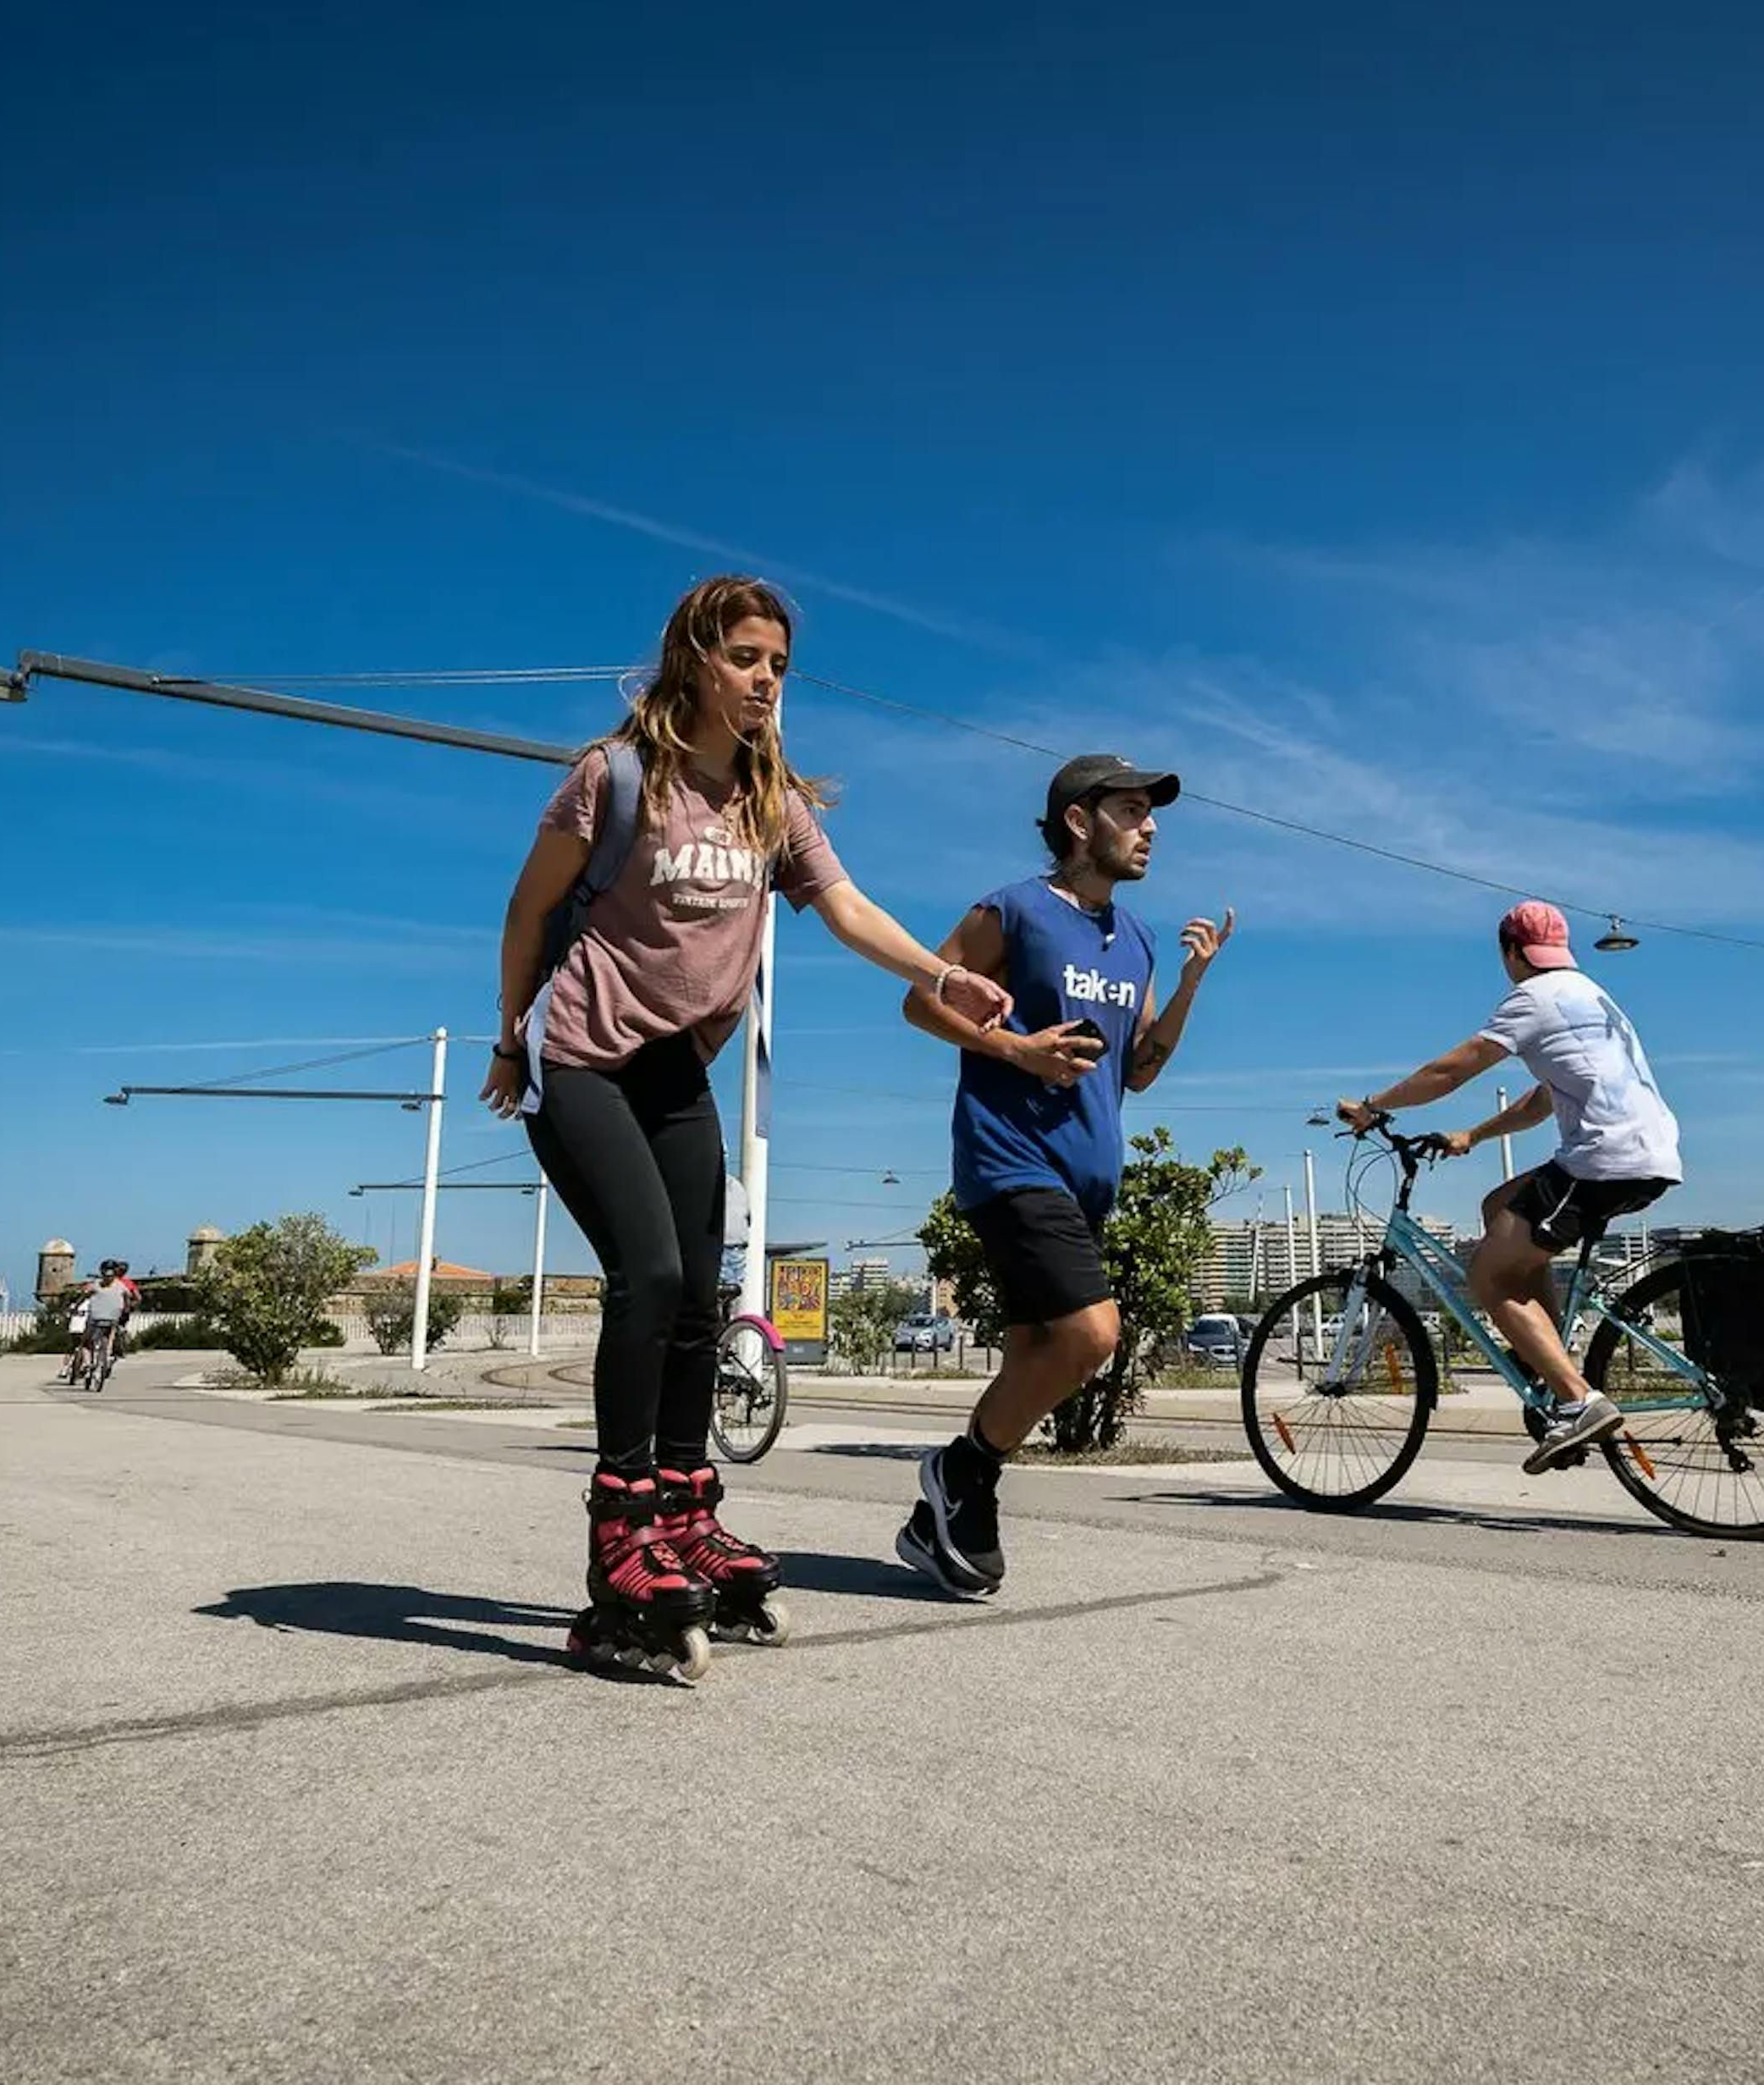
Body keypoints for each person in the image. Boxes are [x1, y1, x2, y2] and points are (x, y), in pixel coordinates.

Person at [479, 576, 1011, 1679]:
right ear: (694, 661)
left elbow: (848, 908)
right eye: (745, 657)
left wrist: (943, 973)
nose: (766, 679)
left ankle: (684, 1512)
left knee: (697, 1297)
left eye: (778, 664)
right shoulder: (614, 777)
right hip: (580, 1058)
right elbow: (530, 908)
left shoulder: (771, 803)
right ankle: (621, 1533)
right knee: (648, 1273)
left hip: (677, 1073)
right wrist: (507, 1037)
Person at [892, 753, 1234, 1597]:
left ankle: (951, 1519)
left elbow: (1140, 1068)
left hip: (1087, 1179)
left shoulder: (1139, 939)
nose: (1150, 828)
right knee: (1091, 1335)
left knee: (1035, 1352)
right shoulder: (1013, 910)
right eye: (1132, 810)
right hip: (1010, 1157)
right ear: (1080, 822)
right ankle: (960, 1468)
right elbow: (920, 999)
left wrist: (1190, 985)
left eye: (1152, 813)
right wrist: (1016, 1050)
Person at [1339, 902, 1681, 1472]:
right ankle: (1547, 1360)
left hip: (1604, 1160)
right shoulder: (1591, 996)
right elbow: (1544, 1097)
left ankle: (1578, 1399)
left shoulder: (1532, 998)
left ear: (1511, 953)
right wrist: (1474, 1134)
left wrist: (1374, 1106)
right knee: (1498, 1205)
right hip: (1652, 1153)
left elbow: (1451, 1070)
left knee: (1487, 1275)